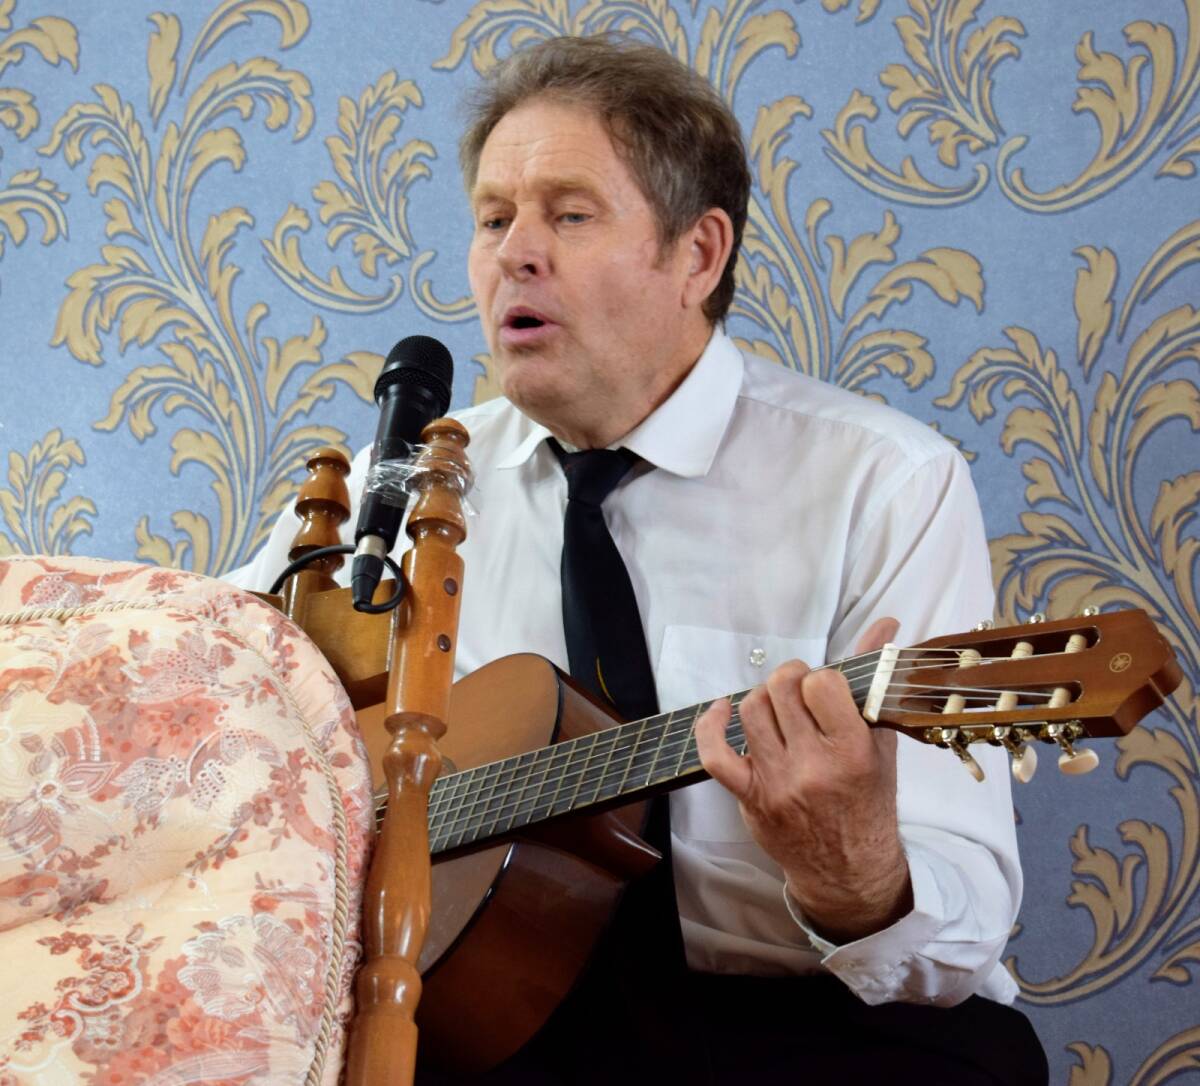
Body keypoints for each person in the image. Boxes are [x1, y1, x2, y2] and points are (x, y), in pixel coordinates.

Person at [228, 35, 1047, 1084]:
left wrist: (854, 875)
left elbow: (960, 924)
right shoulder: (396, 492)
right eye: (494, 218)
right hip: (482, 1017)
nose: (515, 254)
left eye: (569, 215)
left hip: (793, 1019)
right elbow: (195, 697)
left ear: (697, 255)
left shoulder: (885, 482)